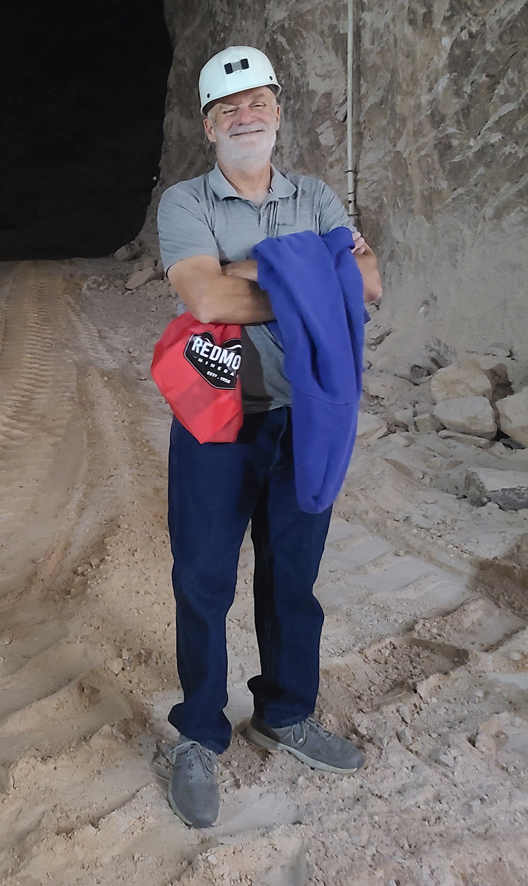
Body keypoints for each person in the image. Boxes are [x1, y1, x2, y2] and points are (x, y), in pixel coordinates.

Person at [157, 45, 382, 828]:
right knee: (203, 580)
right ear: (209, 127)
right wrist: (312, 277)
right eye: (227, 110)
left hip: (307, 415)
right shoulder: (185, 203)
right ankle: (199, 734)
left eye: (257, 103)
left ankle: (285, 714)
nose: (244, 117)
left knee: (294, 579)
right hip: (217, 421)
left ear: (278, 112)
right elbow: (204, 295)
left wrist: (253, 271)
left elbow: (371, 283)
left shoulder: (316, 192)